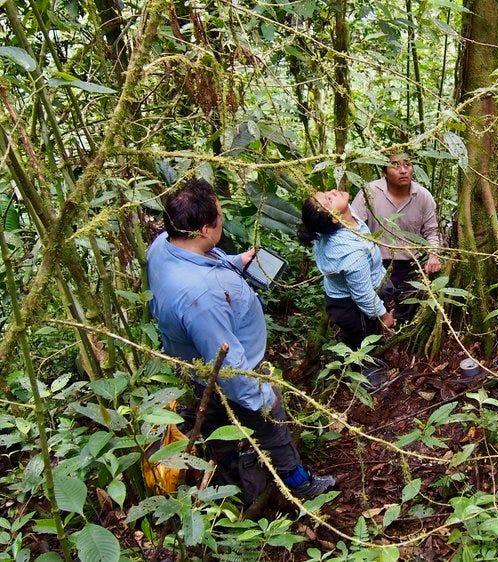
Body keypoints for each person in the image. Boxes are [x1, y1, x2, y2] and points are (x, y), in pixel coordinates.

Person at [147, 178, 334, 502]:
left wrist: (235, 263)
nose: (222, 219)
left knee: (218, 428)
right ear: (205, 229)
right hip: (227, 374)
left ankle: (229, 482)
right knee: (271, 426)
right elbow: (228, 367)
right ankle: (298, 483)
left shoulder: (164, 244)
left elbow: (198, 267)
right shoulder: (200, 296)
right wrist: (264, 398)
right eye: (219, 216)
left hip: (195, 368)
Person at [298, 189, 395, 352]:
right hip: (352, 308)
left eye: (325, 192)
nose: (333, 192)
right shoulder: (351, 253)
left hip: (360, 289)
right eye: (329, 199)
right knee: (364, 344)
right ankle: (367, 372)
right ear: (334, 218)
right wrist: (384, 316)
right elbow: (363, 295)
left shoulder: (346, 218)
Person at [352, 152, 441, 320]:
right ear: (384, 171)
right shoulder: (369, 192)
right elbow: (353, 227)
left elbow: (431, 231)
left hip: (410, 264)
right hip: (375, 263)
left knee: (407, 314)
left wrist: (433, 255)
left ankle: (400, 338)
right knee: (373, 313)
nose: (403, 170)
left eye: (407, 165)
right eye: (395, 165)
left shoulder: (423, 196)